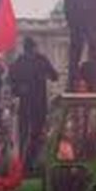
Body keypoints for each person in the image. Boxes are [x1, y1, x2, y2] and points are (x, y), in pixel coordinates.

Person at [9, 37, 58, 171]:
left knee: (24, 135)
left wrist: (20, 89)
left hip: (25, 105)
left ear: (24, 48)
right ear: (34, 48)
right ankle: (33, 164)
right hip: (39, 105)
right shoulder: (41, 60)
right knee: (38, 135)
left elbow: (12, 87)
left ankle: (23, 166)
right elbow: (55, 76)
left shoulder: (17, 63)